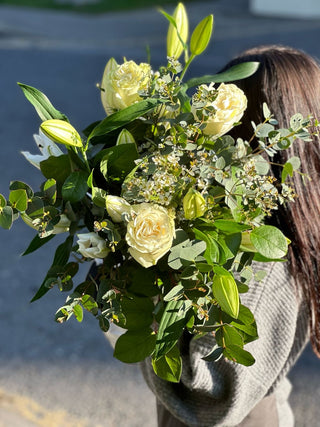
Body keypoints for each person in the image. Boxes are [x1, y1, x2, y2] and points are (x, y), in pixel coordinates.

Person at [141, 45, 320, 426]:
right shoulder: (291, 222)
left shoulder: (261, 252)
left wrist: (140, 304)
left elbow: (210, 397)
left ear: (244, 127)